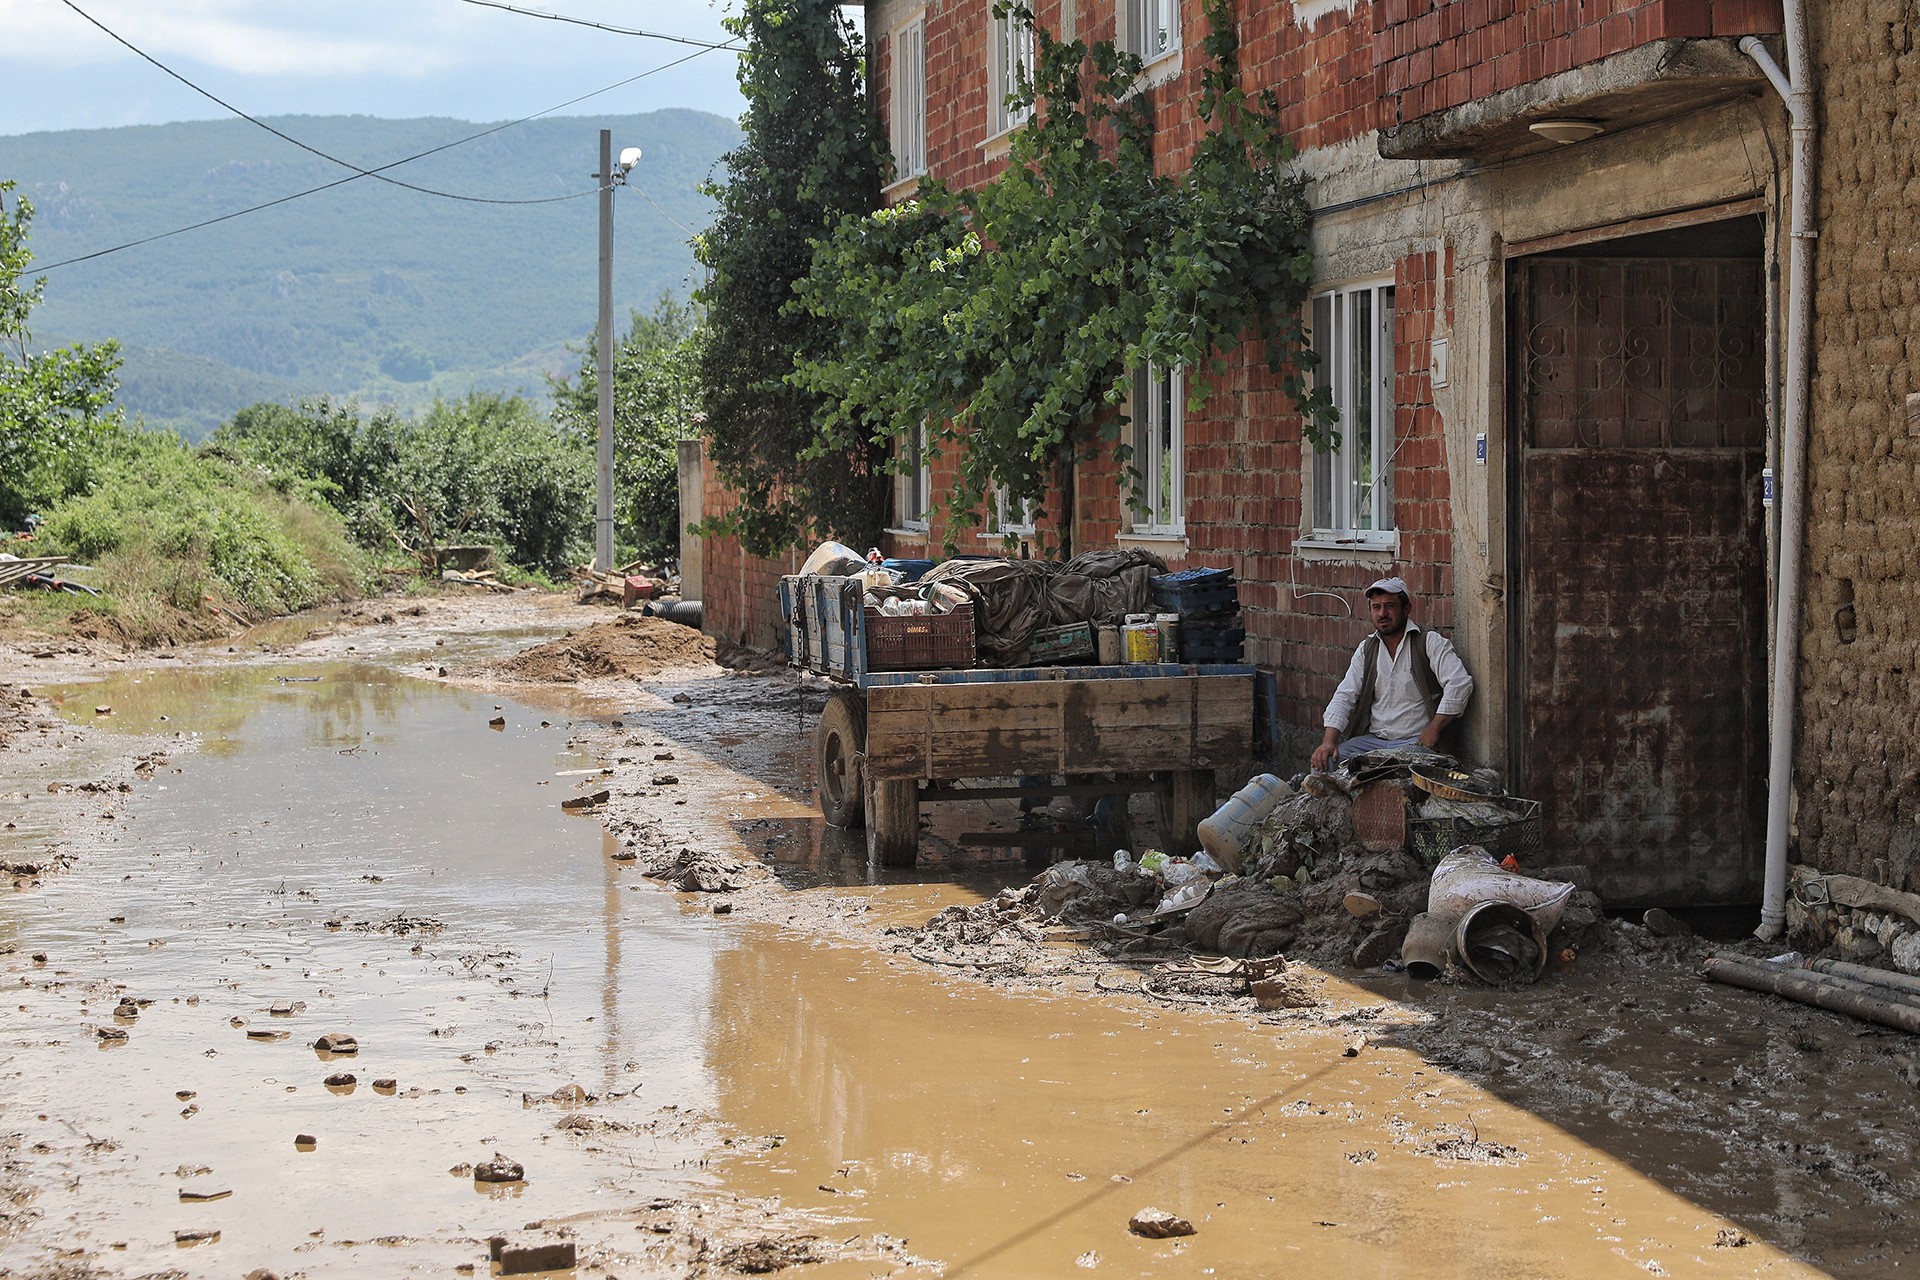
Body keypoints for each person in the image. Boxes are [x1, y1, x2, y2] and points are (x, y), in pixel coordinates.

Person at [1310, 576, 1473, 771]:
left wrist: (1434, 730)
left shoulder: (1429, 642)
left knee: (1405, 776)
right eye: (1376, 607)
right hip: (1373, 742)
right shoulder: (1367, 649)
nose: (1382, 613)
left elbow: (1460, 683)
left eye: (1389, 606)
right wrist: (1328, 741)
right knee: (1325, 762)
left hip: (1415, 744)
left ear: (1406, 609)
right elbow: (1344, 695)